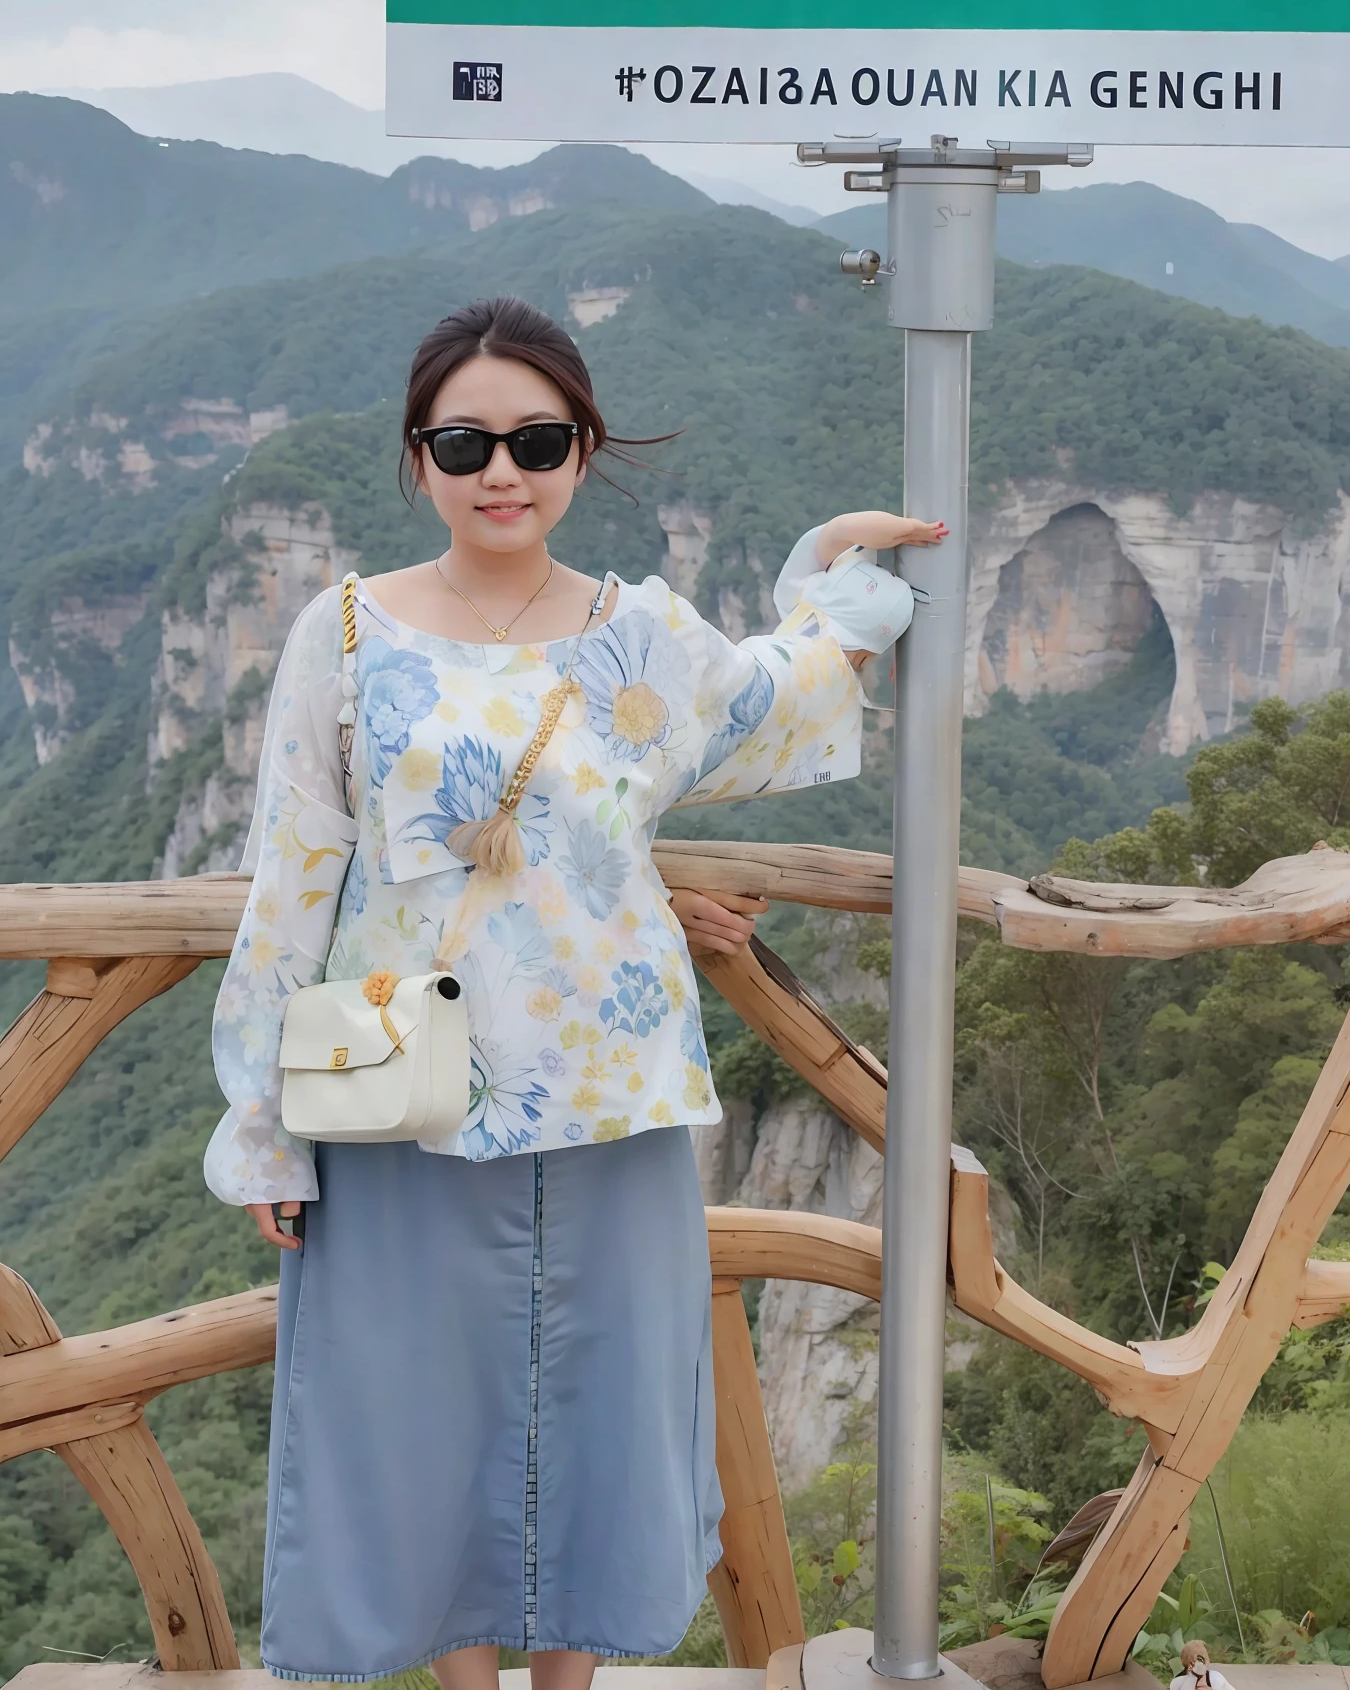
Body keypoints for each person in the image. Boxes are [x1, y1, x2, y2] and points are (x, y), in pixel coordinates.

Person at [203, 293, 941, 1688]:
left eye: (537, 440)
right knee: (417, 1410)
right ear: (416, 457)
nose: (503, 471)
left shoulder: (641, 637)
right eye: (467, 441)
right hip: (402, 1086)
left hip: (610, 1084)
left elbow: (769, 705)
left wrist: (827, 584)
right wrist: (260, 1119)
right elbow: (291, 869)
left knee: (605, 1407)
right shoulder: (345, 634)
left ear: (583, 454)